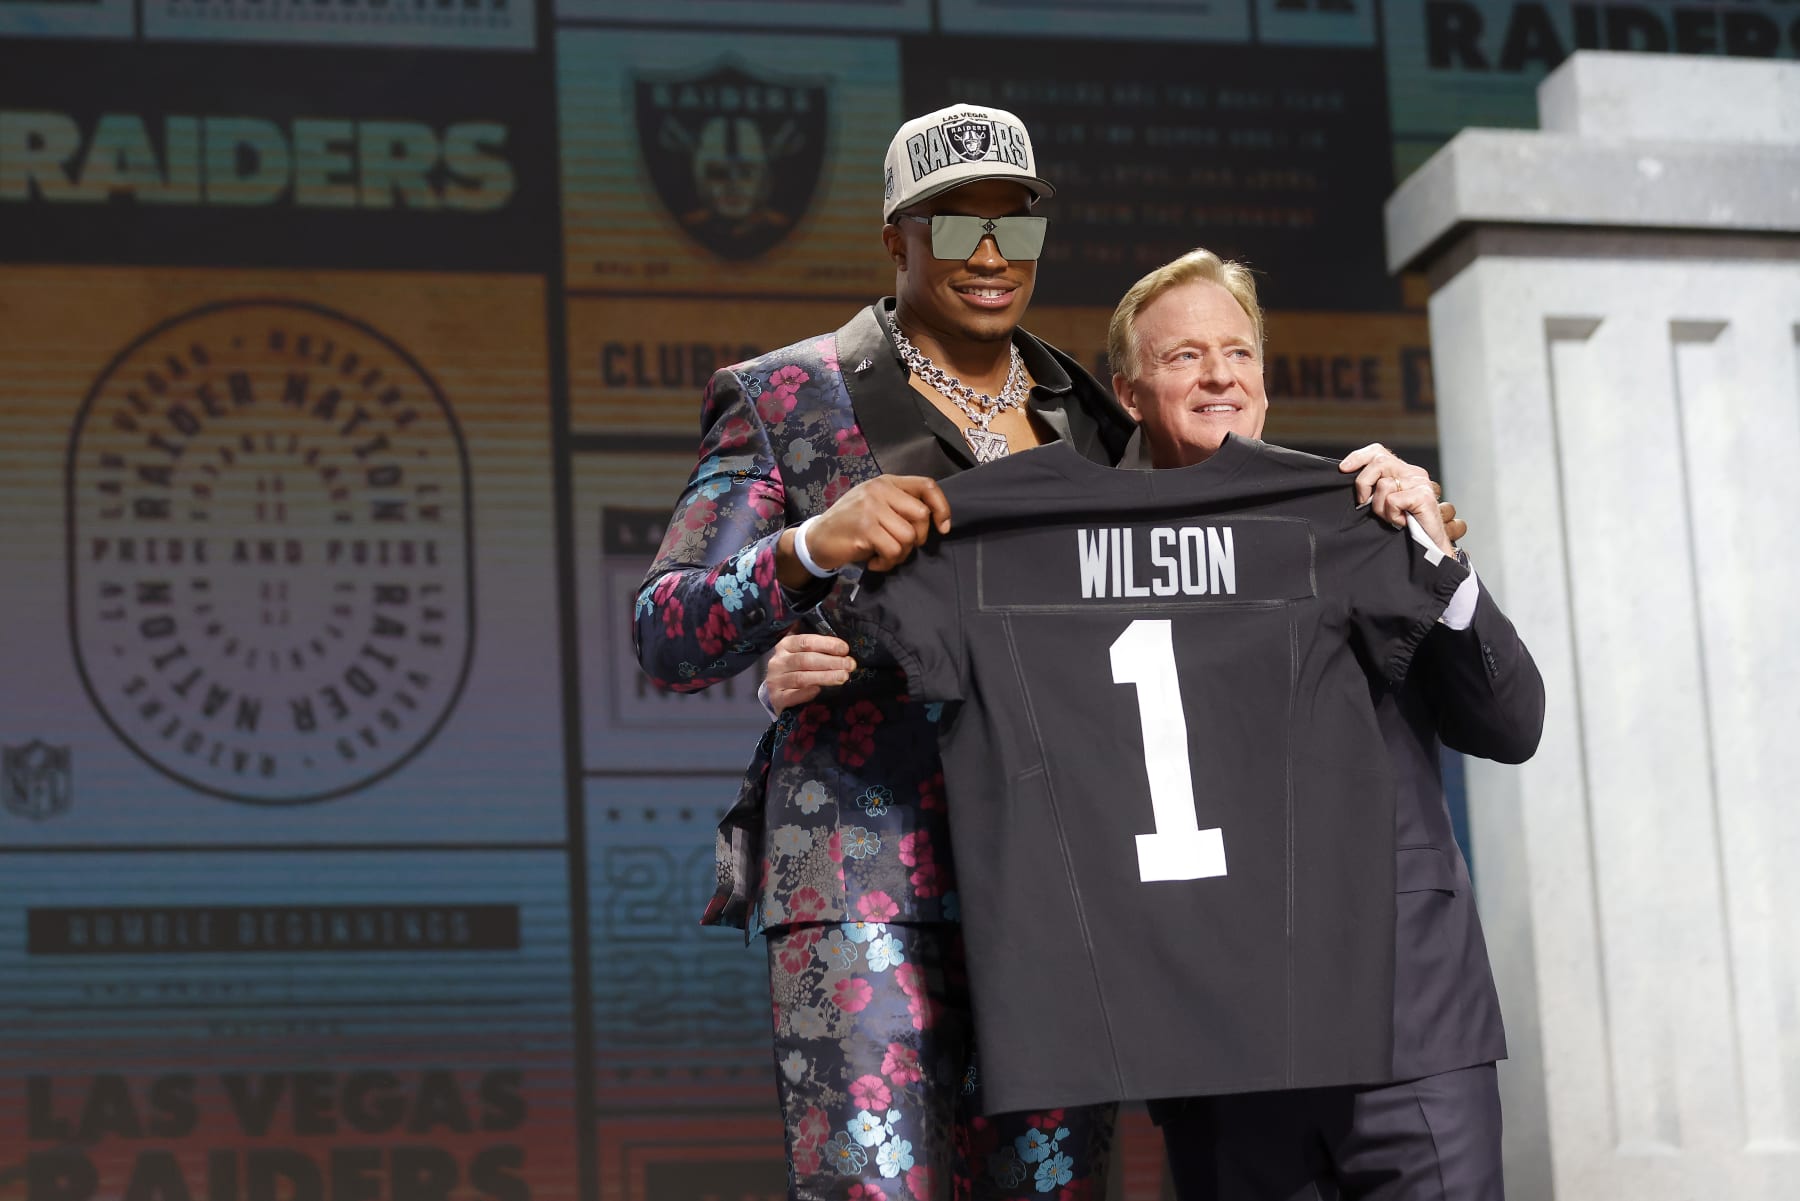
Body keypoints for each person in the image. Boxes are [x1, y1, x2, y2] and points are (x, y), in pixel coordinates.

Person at [762, 248, 1544, 1201]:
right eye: (1184, 358)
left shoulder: (1352, 511)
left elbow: (1511, 721)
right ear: (1127, 394)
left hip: (1406, 1022)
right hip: (1213, 1037)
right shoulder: (1040, 542)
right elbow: (873, 641)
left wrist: (1434, 555)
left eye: (1239, 352)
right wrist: (809, 661)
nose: (1220, 375)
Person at [633, 104, 1135, 1200]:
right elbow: (665, 630)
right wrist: (807, 550)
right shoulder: (786, 395)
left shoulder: (1094, 420)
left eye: (1018, 225)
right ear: (894, 239)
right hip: (867, 872)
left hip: (1057, 877)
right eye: (956, 228)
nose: (993, 257)